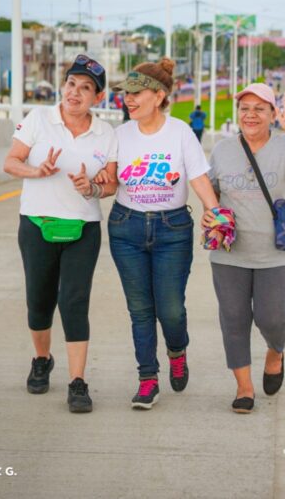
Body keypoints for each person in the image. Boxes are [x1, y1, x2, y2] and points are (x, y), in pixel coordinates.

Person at [3, 54, 118, 413]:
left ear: (98, 97)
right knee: (39, 302)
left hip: (83, 228)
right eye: (71, 84)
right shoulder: (38, 119)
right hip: (36, 225)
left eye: (86, 88)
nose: (75, 93)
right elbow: (11, 162)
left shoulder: (106, 133)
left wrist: (91, 188)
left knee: (73, 302)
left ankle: (77, 382)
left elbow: (111, 183)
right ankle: (42, 359)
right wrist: (36, 171)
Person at [108, 58, 220, 410]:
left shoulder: (180, 133)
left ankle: (177, 349)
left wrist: (216, 214)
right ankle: (147, 379)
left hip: (172, 230)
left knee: (170, 309)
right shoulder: (119, 135)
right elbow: (107, 180)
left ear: (158, 96)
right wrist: (89, 184)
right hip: (126, 228)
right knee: (140, 309)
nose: (128, 99)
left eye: (135, 93)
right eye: (126, 93)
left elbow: (198, 177)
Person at [204, 83, 285, 413]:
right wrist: (210, 215)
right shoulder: (223, 149)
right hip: (229, 254)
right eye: (245, 108)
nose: (250, 115)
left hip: (275, 253)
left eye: (259, 109)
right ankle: (244, 388)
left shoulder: (284, 144)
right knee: (234, 320)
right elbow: (211, 190)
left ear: (272, 114)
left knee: (273, 318)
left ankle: (275, 352)